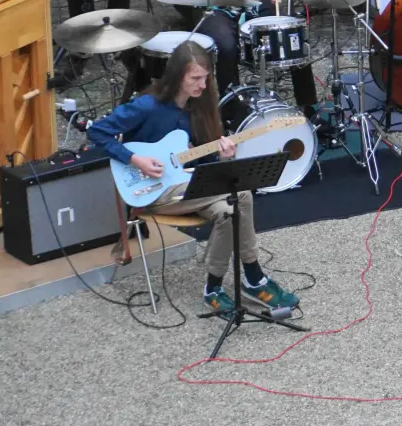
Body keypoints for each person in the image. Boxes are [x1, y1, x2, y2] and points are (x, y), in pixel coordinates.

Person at [87, 41, 299, 315]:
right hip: (151, 192)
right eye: (195, 78)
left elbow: (203, 165)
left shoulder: (198, 111)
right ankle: (253, 277)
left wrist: (223, 157)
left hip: (187, 188)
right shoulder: (147, 106)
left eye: (205, 77)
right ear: (178, 76)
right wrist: (133, 158)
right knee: (242, 194)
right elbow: (97, 132)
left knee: (228, 210)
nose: (202, 84)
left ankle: (213, 288)